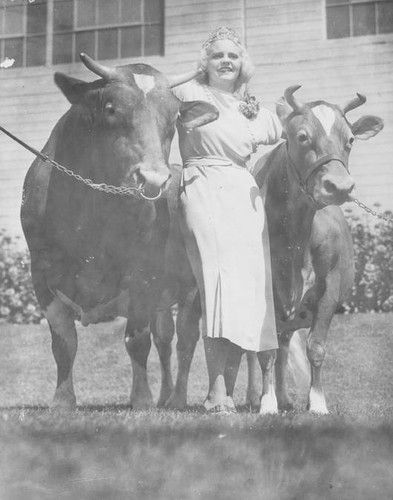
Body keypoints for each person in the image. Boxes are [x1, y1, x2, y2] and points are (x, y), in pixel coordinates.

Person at [172, 26, 282, 414]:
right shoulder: (188, 95)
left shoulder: (254, 109)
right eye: (218, 55)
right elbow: (152, 101)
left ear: (243, 64)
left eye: (233, 56)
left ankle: (226, 394)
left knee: (244, 295)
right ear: (205, 62)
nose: (226, 61)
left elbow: (293, 132)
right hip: (202, 185)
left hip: (243, 196)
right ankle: (216, 391)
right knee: (217, 288)